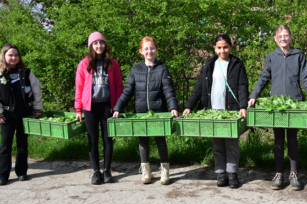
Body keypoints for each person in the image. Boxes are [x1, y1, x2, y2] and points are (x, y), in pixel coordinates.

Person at [248, 25, 307, 191]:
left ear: (291, 37)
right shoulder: (272, 56)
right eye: (280, 36)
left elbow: (305, 78)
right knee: (279, 140)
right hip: (277, 105)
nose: (283, 38)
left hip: (294, 104)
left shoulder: (299, 55)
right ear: (275, 38)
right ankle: (279, 173)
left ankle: (294, 174)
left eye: (286, 35)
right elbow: (264, 77)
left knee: (292, 139)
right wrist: (254, 95)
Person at [183, 34, 249, 189]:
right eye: (219, 47)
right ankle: (221, 174)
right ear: (214, 48)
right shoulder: (209, 65)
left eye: (225, 47)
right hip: (213, 111)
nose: (222, 50)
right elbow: (199, 87)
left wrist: (243, 106)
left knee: (231, 143)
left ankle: (232, 173)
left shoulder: (237, 64)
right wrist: (189, 106)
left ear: (231, 47)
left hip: (230, 112)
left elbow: (242, 86)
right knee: (217, 144)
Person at [113, 36, 179, 185]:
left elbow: (169, 90)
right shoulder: (136, 70)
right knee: (143, 142)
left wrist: (173, 107)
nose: (149, 51)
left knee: (160, 141)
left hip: (159, 112)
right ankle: (146, 171)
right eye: (146, 49)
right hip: (141, 113)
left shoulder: (162, 68)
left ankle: (165, 172)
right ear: (140, 51)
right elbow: (127, 91)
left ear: (156, 50)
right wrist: (118, 108)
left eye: (152, 48)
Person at [75, 32, 123, 185]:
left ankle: (107, 171)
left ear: (105, 45)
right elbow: (79, 87)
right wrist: (78, 109)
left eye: (101, 43)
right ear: (91, 46)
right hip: (90, 107)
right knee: (93, 139)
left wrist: (118, 106)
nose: (99, 46)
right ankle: (96, 172)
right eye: (95, 43)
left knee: (108, 139)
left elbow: (118, 85)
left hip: (108, 106)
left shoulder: (113, 63)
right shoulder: (84, 64)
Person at [0, 43, 43, 185]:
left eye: (16, 55)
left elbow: (36, 89)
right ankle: (3, 175)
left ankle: (22, 172)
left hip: (25, 113)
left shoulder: (26, 72)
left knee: (22, 144)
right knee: (5, 145)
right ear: (4, 56)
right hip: (6, 115)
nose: (13, 58)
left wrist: (37, 108)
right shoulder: (1, 73)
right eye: (10, 55)